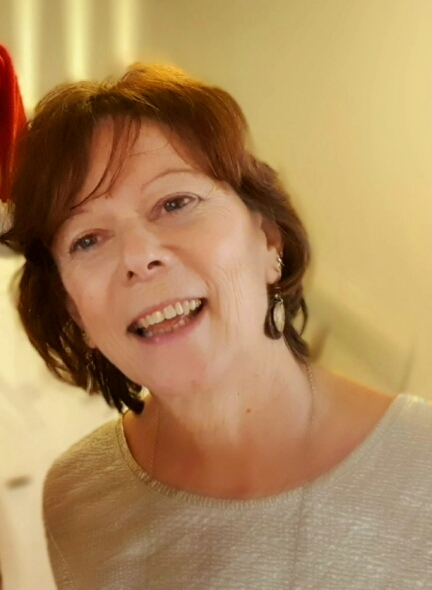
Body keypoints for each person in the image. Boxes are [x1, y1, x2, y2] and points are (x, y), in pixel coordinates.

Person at [1, 64, 431, 590]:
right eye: (87, 239)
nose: (139, 256)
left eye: (174, 203)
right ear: (74, 310)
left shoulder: (421, 465)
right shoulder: (75, 499)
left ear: (268, 241)